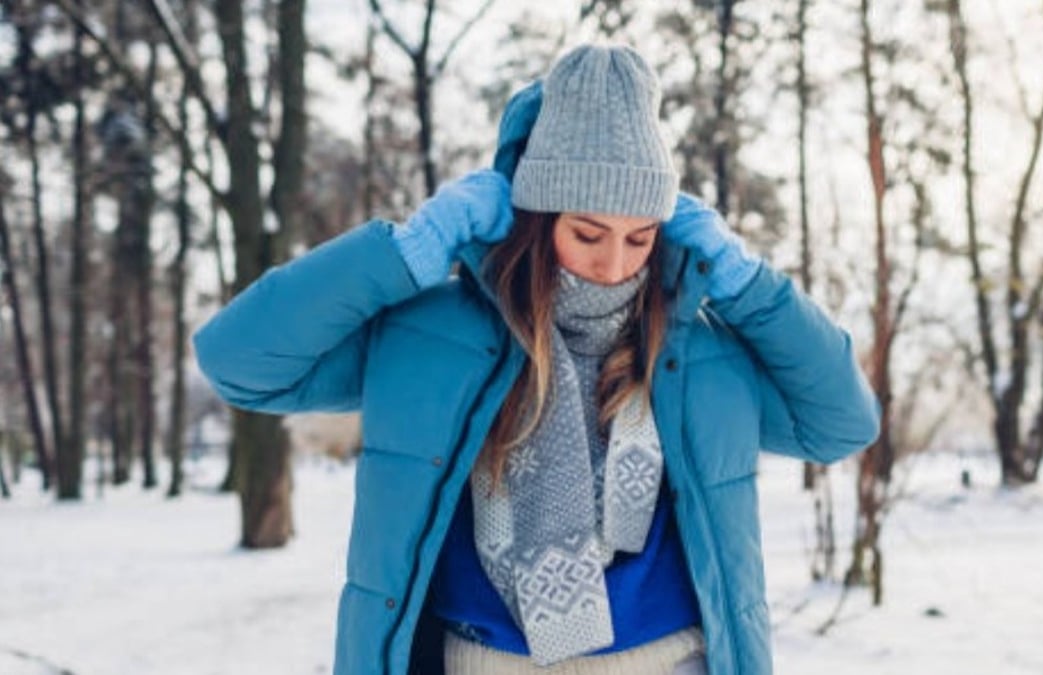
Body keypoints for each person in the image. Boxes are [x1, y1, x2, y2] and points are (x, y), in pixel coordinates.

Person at [193, 44, 880, 675]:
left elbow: (841, 422)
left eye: (641, 238)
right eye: (588, 233)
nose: (614, 266)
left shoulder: (695, 347)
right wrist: (406, 252)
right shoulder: (434, 336)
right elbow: (243, 363)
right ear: (537, 216)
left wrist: (749, 282)